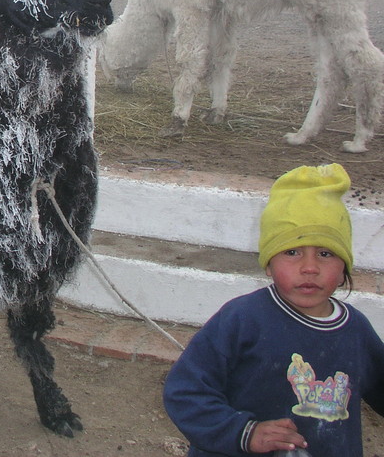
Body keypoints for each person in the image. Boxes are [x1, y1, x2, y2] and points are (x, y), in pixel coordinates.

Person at [163, 163, 384, 455]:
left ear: (344, 268)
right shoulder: (242, 320)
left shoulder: (356, 330)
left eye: (325, 253)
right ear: (268, 264)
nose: (309, 267)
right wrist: (244, 432)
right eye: (291, 252)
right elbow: (185, 391)